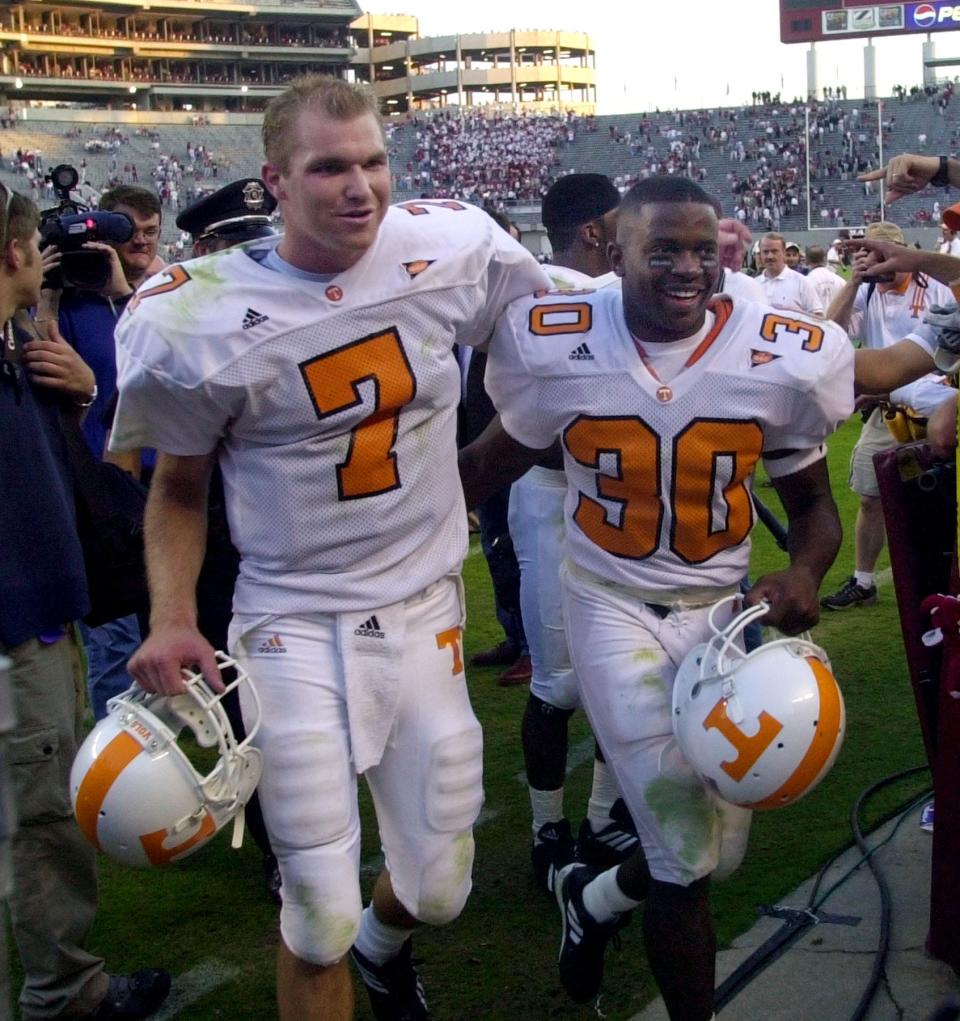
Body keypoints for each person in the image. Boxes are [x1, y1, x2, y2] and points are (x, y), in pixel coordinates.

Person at [109, 75, 549, 1021]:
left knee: (440, 885)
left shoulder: (455, 246)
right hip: (292, 621)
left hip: (426, 603)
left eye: (374, 162)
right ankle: (349, 950)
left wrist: (469, 477)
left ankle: (390, 950)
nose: (361, 188)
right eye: (329, 168)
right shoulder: (197, 313)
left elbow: (544, 370)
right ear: (274, 181)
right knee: (316, 909)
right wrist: (176, 616)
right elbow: (177, 485)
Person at [462, 177, 853, 1021]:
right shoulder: (557, 338)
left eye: (702, 251)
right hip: (611, 605)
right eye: (664, 251)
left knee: (721, 838)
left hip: (721, 611)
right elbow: (484, 467)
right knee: (684, 854)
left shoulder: (779, 349)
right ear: (615, 251)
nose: (687, 268)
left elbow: (816, 506)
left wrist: (803, 574)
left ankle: (593, 901)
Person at [0, 183, 170, 1021]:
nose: (43, 263)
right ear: (13, 254)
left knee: (42, 811)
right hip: (14, 627)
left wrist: (71, 398)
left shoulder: (20, 345)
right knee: (38, 821)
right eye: (35, 248)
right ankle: (65, 995)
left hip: (42, 610)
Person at [509, 174, 639, 895]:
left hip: (618, 498)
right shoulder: (548, 292)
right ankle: (546, 827)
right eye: (625, 220)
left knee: (622, 668)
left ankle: (599, 815)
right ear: (594, 231)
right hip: (557, 494)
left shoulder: (615, 292)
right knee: (559, 680)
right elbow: (493, 411)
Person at [175, 176, 282, 904]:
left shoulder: (297, 304)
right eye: (233, 245)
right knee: (247, 698)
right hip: (218, 538)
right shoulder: (173, 323)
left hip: (292, 540)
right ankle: (277, 840)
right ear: (205, 249)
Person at [48, 185, 165, 720]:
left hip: (162, 482)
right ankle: (115, 759)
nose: (138, 242)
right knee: (115, 643)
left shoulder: (164, 293)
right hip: (101, 493)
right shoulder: (68, 303)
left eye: (149, 232)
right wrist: (49, 292)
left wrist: (127, 297)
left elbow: (162, 366)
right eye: (126, 231)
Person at [821, 220, 955, 611]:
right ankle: (864, 580)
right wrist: (853, 282)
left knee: (941, 497)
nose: (881, 263)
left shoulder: (938, 286)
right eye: (872, 255)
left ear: (903, 252)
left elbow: (949, 352)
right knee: (869, 495)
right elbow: (830, 336)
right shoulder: (864, 291)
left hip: (939, 402)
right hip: (886, 406)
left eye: (886, 254)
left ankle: (944, 581)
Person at [757, 231, 824, 317]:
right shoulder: (754, 284)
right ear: (760, 254)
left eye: (774, 251)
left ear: (784, 252)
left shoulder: (801, 282)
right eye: (765, 252)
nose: (770, 256)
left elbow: (818, 317)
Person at [805, 244, 845, 311]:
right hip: (836, 320)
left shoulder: (806, 282)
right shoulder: (840, 280)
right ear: (824, 259)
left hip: (815, 320)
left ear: (807, 260)